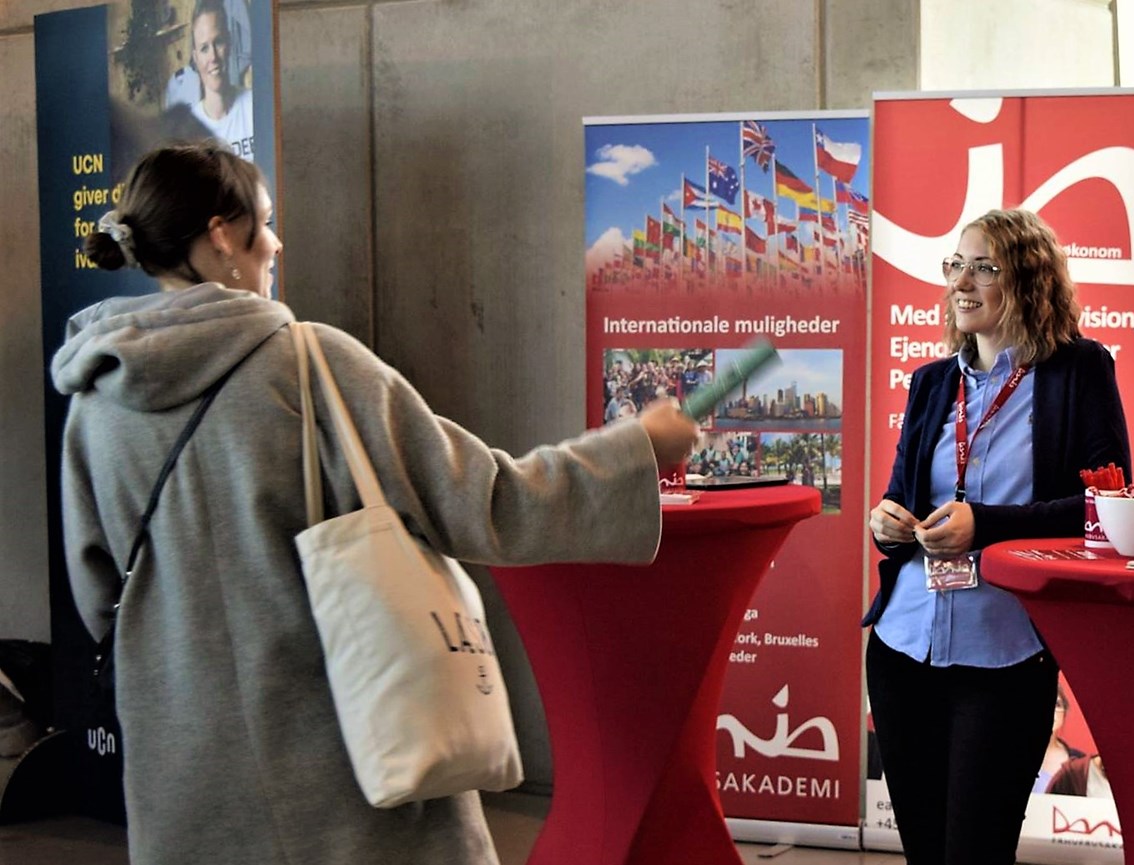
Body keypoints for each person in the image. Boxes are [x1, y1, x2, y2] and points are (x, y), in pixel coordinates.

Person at [62, 142, 700, 865]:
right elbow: (486, 501)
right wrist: (635, 448)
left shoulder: (96, 404)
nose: (275, 242)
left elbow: (101, 600)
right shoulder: (307, 365)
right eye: (265, 222)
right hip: (348, 781)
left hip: (188, 786)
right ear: (220, 236)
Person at [864, 208, 1133, 865]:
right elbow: (903, 492)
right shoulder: (932, 382)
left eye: (984, 266)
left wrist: (986, 525)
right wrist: (887, 519)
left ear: (1030, 280)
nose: (962, 280)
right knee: (927, 853)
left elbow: (1110, 505)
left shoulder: (1080, 371)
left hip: (1006, 653)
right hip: (903, 647)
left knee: (975, 854)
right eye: (956, 264)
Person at [182, 0, 254, 159]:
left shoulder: (253, 105)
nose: (213, 56)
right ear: (195, 57)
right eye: (204, 48)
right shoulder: (190, 131)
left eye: (218, 42)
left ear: (228, 43)